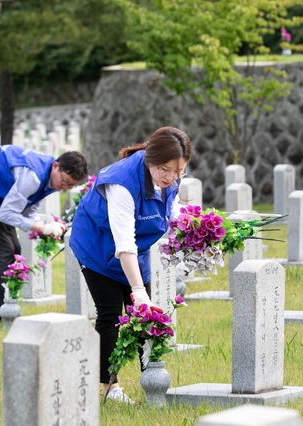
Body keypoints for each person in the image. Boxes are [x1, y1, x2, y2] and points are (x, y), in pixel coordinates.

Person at [69, 126, 191, 404]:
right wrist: (138, 290)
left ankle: (152, 378)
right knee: (111, 314)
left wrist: (191, 226)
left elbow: (171, 209)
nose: (172, 178)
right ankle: (111, 388)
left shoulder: (170, 175)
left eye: (179, 172)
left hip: (138, 249)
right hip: (98, 247)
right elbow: (124, 244)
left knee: (144, 315)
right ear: (151, 159)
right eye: (166, 171)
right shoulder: (122, 183)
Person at [0, 145, 88, 322]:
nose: (63, 187)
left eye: (70, 186)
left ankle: (4, 306)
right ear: (56, 166)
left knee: (14, 249)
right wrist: (41, 228)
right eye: (64, 181)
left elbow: (27, 208)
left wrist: (44, 225)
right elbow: (6, 214)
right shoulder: (33, 176)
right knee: (3, 253)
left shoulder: (48, 176)